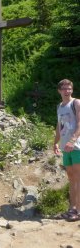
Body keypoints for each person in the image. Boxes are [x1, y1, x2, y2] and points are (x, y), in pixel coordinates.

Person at [54, 79, 80, 221]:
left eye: (69, 88)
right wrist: (55, 143)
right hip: (65, 147)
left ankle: (78, 211)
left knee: (78, 178)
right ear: (59, 91)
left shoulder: (76, 103)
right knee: (71, 178)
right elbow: (59, 126)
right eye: (64, 88)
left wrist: (72, 140)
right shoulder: (59, 106)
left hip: (77, 146)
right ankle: (72, 209)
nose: (67, 91)